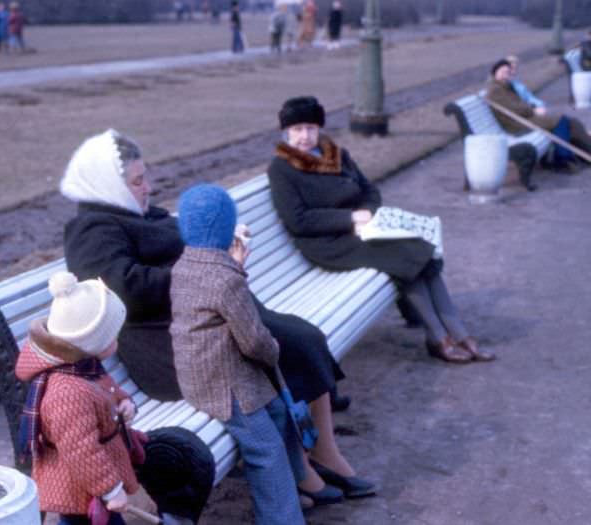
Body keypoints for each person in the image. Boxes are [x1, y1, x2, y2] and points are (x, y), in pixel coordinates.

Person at [60, 129, 375, 507]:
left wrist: (220, 247)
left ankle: (320, 452)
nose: (148, 187)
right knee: (285, 344)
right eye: (137, 181)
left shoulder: (128, 212)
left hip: (203, 320)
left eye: (146, 177)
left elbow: (183, 252)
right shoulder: (90, 229)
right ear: (106, 183)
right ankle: (303, 471)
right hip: (170, 347)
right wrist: (207, 268)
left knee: (301, 336)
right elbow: (124, 290)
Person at [268, 96, 496, 365]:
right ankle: (438, 337)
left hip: (364, 231)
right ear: (286, 132)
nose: (304, 136)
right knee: (404, 257)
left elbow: (370, 191)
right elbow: (298, 220)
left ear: (319, 129)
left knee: (423, 252)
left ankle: (459, 334)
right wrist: (351, 218)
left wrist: (369, 214)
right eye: (297, 129)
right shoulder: (282, 169)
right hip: (327, 244)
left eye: (310, 128)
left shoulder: (337, 155)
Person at [15, 271, 214, 525]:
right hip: (80, 484)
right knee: (81, 521)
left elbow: (107, 389)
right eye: (112, 335)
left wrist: (124, 403)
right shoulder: (67, 394)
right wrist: (110, 489)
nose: (117, 339)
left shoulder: (82, 366)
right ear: (91, 341)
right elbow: (81, 450)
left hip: (98, 474)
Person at [171, 184, 306, 525]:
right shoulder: (224, 278)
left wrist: (235, 268)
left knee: (277, 412)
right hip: (223, 386)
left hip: (201, 373)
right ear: (224, 228)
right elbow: (255, 342)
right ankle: (281, 519)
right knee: (266, 451)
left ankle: (287, 494)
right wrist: (275, 351)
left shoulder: (185, 264)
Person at [486, 59, 591, 168]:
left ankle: (585, 152)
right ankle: (562, 158)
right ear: (495, 73)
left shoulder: (506, 86)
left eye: (507, 72)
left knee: (571, 122)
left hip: (524, 118)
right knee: (559, 120)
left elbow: (520, 104)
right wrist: (533, 110)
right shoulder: (495, 90)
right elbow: (514, 109)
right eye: (502, 72)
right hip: (516, 123)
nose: (505, 75)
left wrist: (532, 108)